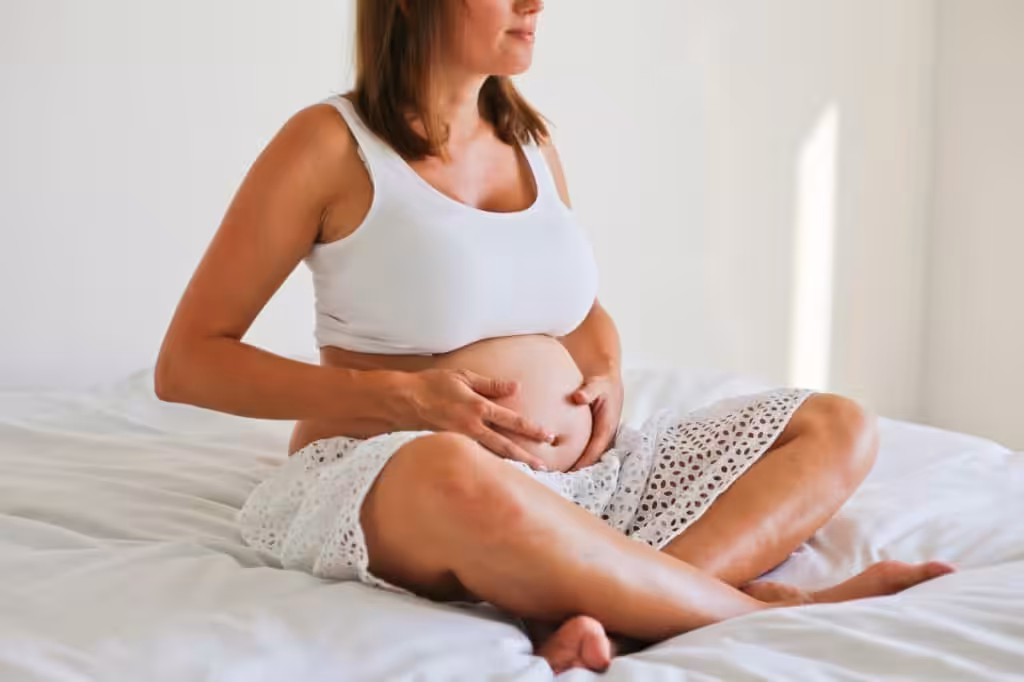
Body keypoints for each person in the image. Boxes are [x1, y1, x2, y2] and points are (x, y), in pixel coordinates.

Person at [155, 0, 955, 673]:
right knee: (452, 470)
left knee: (836, 425)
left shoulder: (530, 142)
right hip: (398, 477)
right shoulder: (330, 144)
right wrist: (400, 397)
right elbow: (189, 362)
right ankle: (770, 612)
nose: (535, 2)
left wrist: (604, 369)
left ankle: (636, 610)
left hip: (583, 486)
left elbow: (573, 309)